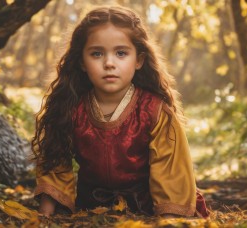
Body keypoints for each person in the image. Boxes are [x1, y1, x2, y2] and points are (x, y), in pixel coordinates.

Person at [32, 5, 209, 218]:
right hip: (89, 209)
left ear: (139, 60)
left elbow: (171, 174)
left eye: (121, 53)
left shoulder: (154, 111)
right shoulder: (69, 108)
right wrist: (44, 219)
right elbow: (55, 163)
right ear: (82, 62)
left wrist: (168, 220)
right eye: (97, 53)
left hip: (148, 209)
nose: (109, 63)